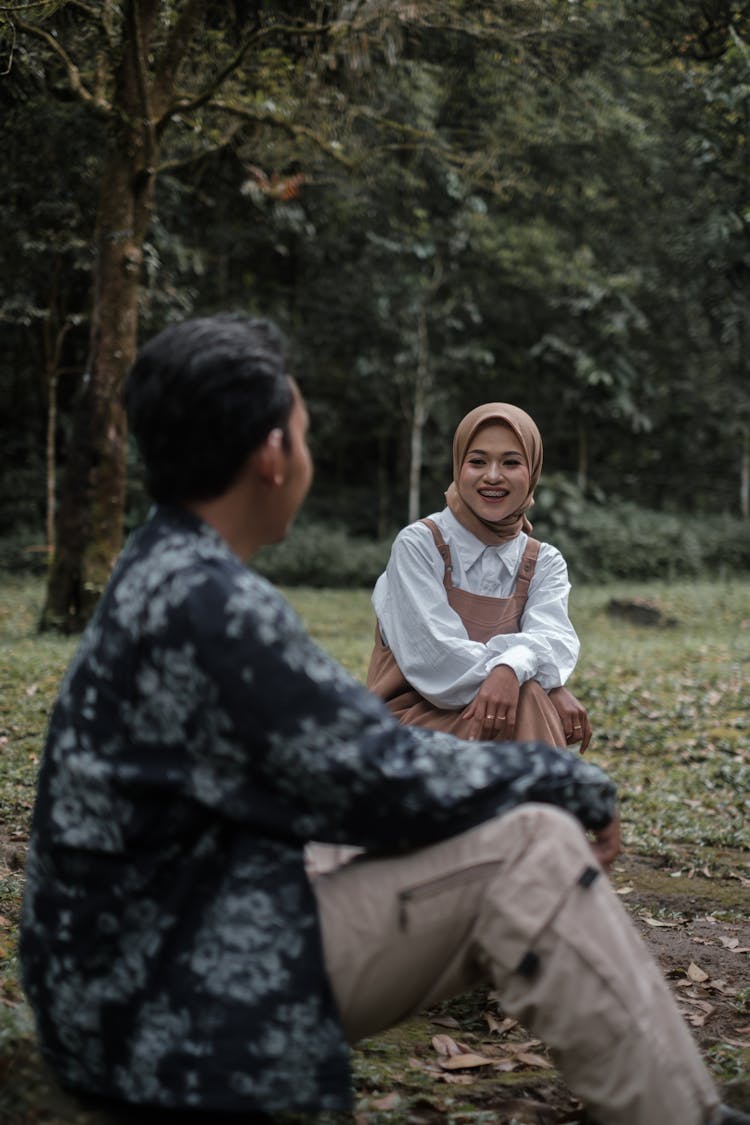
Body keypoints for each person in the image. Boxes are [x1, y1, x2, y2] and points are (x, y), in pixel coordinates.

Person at [18, 314, 745, 1125]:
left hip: (136, 958)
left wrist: (523, 686)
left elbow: (325, 771)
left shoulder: (164, 569)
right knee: (533, 846)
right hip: (171, 996)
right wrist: (561, 779)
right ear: (272, 455)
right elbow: (375, 774)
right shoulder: (213, 607)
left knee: (506, 834)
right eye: (303, 431)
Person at [368, 402, 593, 750]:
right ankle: (550, 801)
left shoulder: (543, 561)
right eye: (477, 461)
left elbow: (556, 639)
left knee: (528, 695)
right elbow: (439, 661)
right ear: (459, 466)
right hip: (411, 725)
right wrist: (532, 676)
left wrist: (518, 671)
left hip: (501, 718)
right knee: (530, 696)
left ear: (532, 470)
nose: (492, 476)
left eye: (511, 462)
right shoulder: (419, 545)